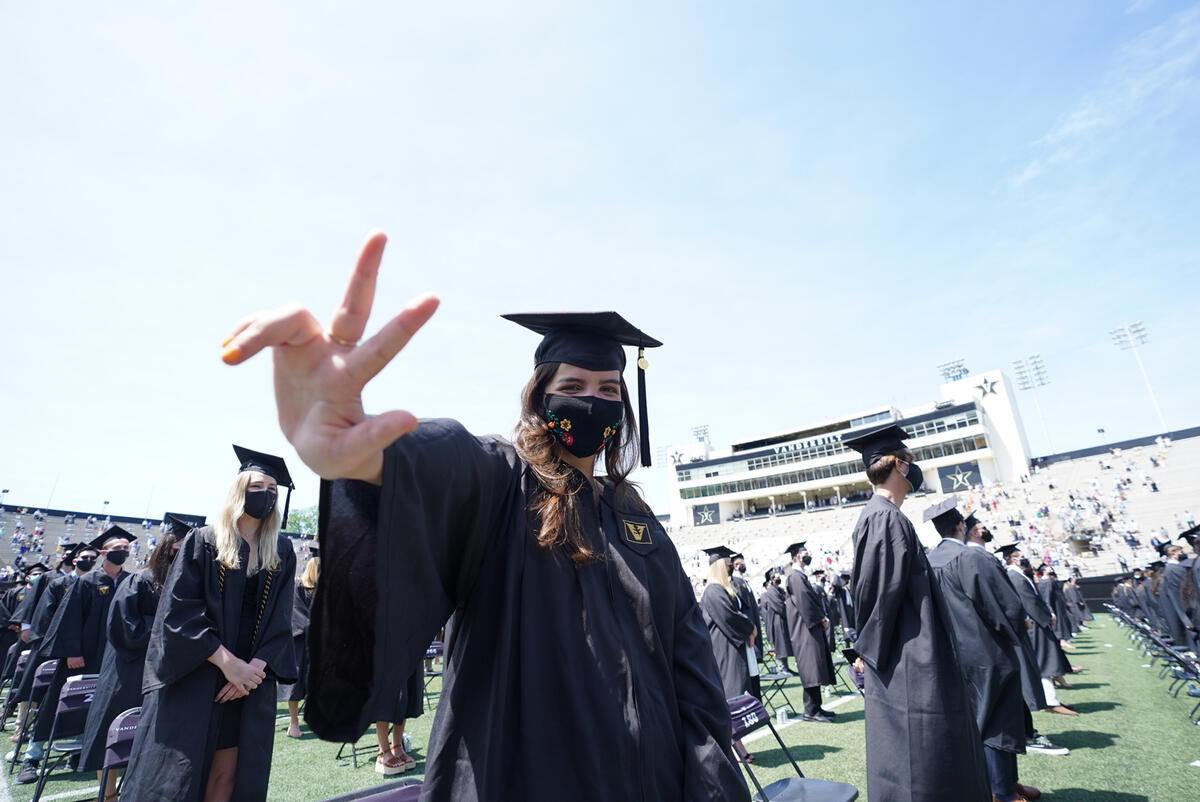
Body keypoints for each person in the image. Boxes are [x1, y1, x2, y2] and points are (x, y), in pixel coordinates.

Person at [220, 238, 747, 802]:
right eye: (571, 388)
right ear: (540, 400)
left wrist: (710, 782)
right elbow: (446, 462)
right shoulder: (503, 483)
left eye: (608, 390)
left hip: (653, 779)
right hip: (526, 775)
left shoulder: (637, 520)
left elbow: (691, 667)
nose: (592, 400)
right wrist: (361, 455)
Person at [120, 448, 298, 802]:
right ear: (239, 489)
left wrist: (251, 673)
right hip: (198, 673)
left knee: (229, 776)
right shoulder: (205, 541)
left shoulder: (281, 549)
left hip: (249, 683)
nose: (267, 494)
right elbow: (179, 613)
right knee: (180, 775)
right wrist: (229, 665)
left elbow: (281, 617)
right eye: (259, 485)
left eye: (274, 490)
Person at [842, 423, 989, 802]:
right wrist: (866, 651)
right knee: (916, 760)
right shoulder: (883, 518)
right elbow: (876, 594)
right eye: (910, 459)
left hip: (915, 650)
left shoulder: (889, 517)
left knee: (935, 755)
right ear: (897, 465)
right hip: (907, 659)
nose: (916, 465)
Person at [924, 499, 1038, 802]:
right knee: (998, 722)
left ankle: (1001, 785)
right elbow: (1004, 606)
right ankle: (1001, 791)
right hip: (987, 654)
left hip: (950, 655)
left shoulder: (928, 563)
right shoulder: (971, 558)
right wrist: (1016, 632)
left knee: (976, 723)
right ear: (961, 525)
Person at [79, 528, 182, 800]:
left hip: (161, 670)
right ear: (167, 548)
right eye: (180, 547)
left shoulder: (183, 583)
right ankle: (108, 795)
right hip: (129, 667)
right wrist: (166, 629)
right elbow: (125, 627)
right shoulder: (141, 580)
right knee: (113, 731)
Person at [998, 546, 1076, 715]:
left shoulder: (1019, 575)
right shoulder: (1013, 576)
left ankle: (1051, 699)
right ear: (1011, 559)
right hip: (1035, 625)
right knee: (1045, 663)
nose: (1024, 558)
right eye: (1019, 556)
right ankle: (1051, 702)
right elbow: (1028, 602)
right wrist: (1046, 618)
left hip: (1038, 622)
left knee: (1046, 662)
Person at [783, 542, 835, 723]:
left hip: (809, 627)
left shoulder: (800, 575)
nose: (808, 554)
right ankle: (810, 711)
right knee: (810, 668)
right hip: (804, 629)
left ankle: (816, 707)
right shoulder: (795, 577)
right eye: (805, 552)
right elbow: (805, 602)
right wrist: (821, 618)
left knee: (814, 667)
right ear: (797, 556)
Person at [279, 546, 318, 739]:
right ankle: (293, 723)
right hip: (299, 641)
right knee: (294, 685)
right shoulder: (297, 587)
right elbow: (296, 612)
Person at [759, 569, 795, 673]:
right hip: (776, 622)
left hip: (782, 621)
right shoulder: (771, 592)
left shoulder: (780, 590)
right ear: (771, 579)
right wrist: (787, 607)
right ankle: (782, 668)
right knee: (780, 645)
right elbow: (780, 606)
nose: (778, 579)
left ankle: (786, 667)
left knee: (784, 645)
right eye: (775, 577)